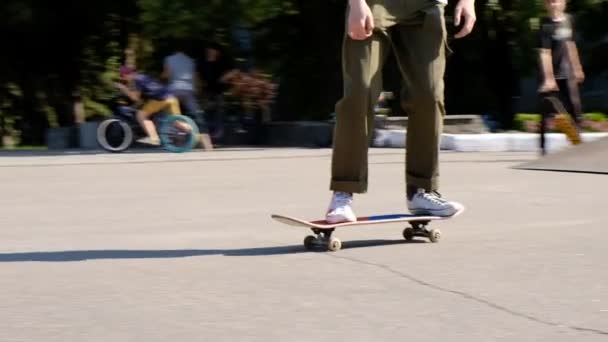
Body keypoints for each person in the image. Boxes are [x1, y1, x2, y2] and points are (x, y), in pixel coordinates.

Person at [325, 0, 476, 223]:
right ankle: (343, 193)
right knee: (360, 92)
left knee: (430, 94)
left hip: (427, 5)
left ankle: (422, 190)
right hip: (373, 4)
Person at [537, 0, 585, 154]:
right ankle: (543, 148)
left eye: (556, 1)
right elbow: (545, 53)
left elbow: (571, 45)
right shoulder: (545, 26)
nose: (553, 5)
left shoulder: (569, 20)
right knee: (547, 112)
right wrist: (549, 78)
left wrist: (577, 68)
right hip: (553, 75)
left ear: (564, 3)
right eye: (550, 2)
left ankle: (576, 143)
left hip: (568, 73)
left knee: (575, 108)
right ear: (546, 5)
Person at [116, 66, 182, 145]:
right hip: (171, 97)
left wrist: (124, 89)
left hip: (160, 100)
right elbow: (146, 94)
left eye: (122, 76)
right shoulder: (144, 77)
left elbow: (135, 98)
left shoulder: (137, 80)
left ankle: (154, 138)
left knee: (140, 115)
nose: (123, 78)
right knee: (178, 123)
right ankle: (197, 135)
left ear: (128, 74)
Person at [163, 48, 214, 151]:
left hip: (174, 89)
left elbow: (167, 75)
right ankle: (207, 145)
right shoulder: (191, 60)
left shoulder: (169, 59)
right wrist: (196, 90)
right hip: (188, 90)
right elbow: (195, 77)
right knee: (197, 115)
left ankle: (174, 142)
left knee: (171, 115)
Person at [198, 42, 239, 139]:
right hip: (207, 90)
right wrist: (200, 85)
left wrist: (226, 77)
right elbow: (198, 74)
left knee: (219, 110)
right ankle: (206, 132)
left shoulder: (222, 61)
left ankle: (218, 131)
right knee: (206, 110)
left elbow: (235, 70)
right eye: (208, 51)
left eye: (212, 51)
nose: (210, 53)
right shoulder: (203, 61)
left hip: (219, 89)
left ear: (217, 52)